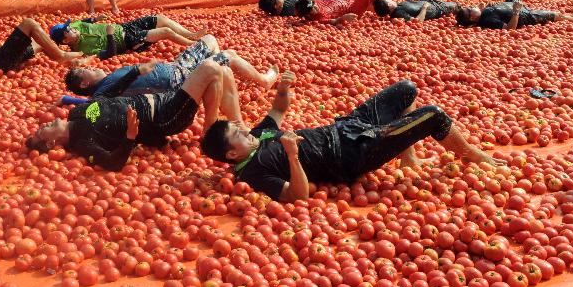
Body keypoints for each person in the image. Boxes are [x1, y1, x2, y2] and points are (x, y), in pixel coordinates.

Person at [201, 77, 497, 202]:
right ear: (231, 156)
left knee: (406, 90)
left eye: (238, 128)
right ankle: (471, 153)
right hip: (353, 154)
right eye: (236, 135)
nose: (243, 131)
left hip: (347, 128)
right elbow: (297, 196)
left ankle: (408, 155)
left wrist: (284, 87)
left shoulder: (255, 136)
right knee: (433, 116)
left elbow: (278, 109)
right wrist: (291, 154)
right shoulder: (252, 171)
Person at [26, 58, 239, 171]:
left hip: (162, 98)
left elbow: (109, 93)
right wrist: (130, 136)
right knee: (210, 68)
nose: (43, 125)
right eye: (41, 131)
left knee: (224, 72)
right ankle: (210, 135)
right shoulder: (83, 142)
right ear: (51, 144)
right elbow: (113, 163)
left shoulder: (77, 114)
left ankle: (233, 126)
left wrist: (136, 71)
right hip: (163, 117)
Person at [63, 34, 277, 99]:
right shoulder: (102, 93)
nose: (90, 68)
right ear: (84, 83)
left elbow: (75, 100)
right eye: (85, 71)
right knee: (228, 55)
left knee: (210, 40)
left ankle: (216, 79)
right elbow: (85, 103)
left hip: (176, 68)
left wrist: (65, 99)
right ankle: (263, 80)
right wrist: (69, 100)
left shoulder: (104, 85)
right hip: (177, 79)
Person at [49, 13, 202, 60]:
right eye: (67, 30)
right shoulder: (83, 49)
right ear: (65, 40)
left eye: (68, 26)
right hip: (128, 40)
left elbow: (83, 21)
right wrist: (109, 36)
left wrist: (95, 20)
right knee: (165, 32)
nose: (71, 28)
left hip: (125, 26)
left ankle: (192, 35)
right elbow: (111, 53)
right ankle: (193, 44)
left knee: (161, 19)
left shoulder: (74, 26)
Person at [295, 0, 376, 25]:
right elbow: (334, 21)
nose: (315, 6)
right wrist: (343, 18)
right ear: (309, 14)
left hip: (345, 0)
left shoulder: (310, 4)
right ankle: (383, 10)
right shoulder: (319, 19)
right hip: (351, 9)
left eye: (313, 4)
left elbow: (307, 2)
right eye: (313, 9)